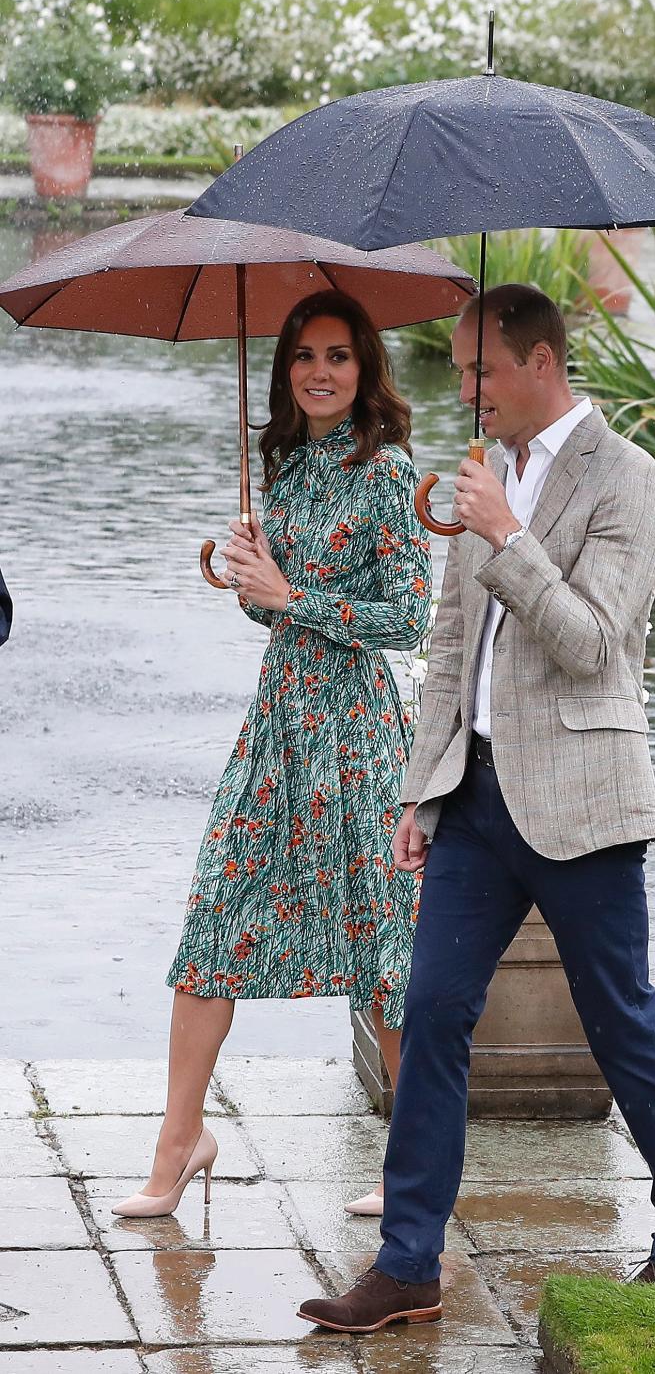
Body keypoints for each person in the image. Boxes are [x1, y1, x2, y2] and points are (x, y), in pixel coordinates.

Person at [297, 284, 655, 1334]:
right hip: (473, 801)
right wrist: (420, 782)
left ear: (540, 362)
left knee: (624, 1024)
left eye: (479, 369)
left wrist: (509, 532)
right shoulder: (483, 476)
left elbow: (591, 642)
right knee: (432, 1010)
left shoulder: (630, 479)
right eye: (459, 367)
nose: (465, 387)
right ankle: (407, 1261)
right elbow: (451, 643)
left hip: (583, 800)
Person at [113, 289, 432, 1220]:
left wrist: (294, 597)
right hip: (279, 726)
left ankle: (412, 1169)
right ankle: (181, 1141)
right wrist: (249, 579)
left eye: (337, 355)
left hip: (359, 736)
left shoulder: (387, 473)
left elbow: (408, 617)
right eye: (303, 356)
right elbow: (273, 610)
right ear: (286, 369)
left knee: (384, 944)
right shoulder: (284, 468)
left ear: (365, 368)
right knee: (215, 915)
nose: (319, 372)